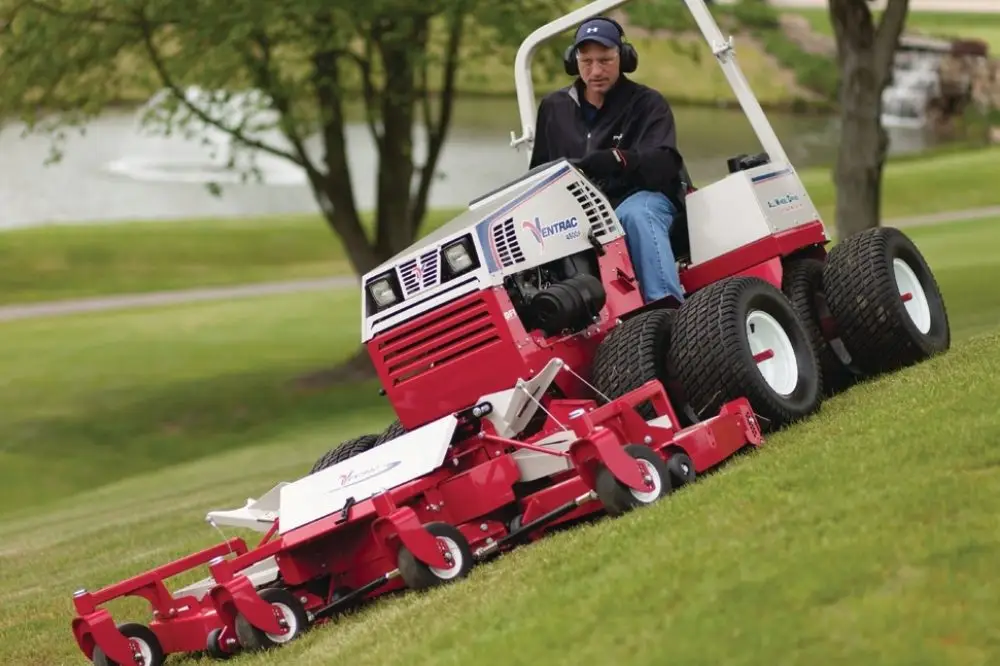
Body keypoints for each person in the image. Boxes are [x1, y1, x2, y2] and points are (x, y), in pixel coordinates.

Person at [529, 16, 690, 305]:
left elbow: (665, 164)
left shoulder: (648, 103)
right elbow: (538, 171)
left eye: (605, 60)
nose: (596, 70)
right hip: (580, 212)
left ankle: (667, 308)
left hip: (643, 198)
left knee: (635, 215)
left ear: (624, 58)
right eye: (587, 61)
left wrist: (618, 159)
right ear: (573, 61)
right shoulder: (554, 108)